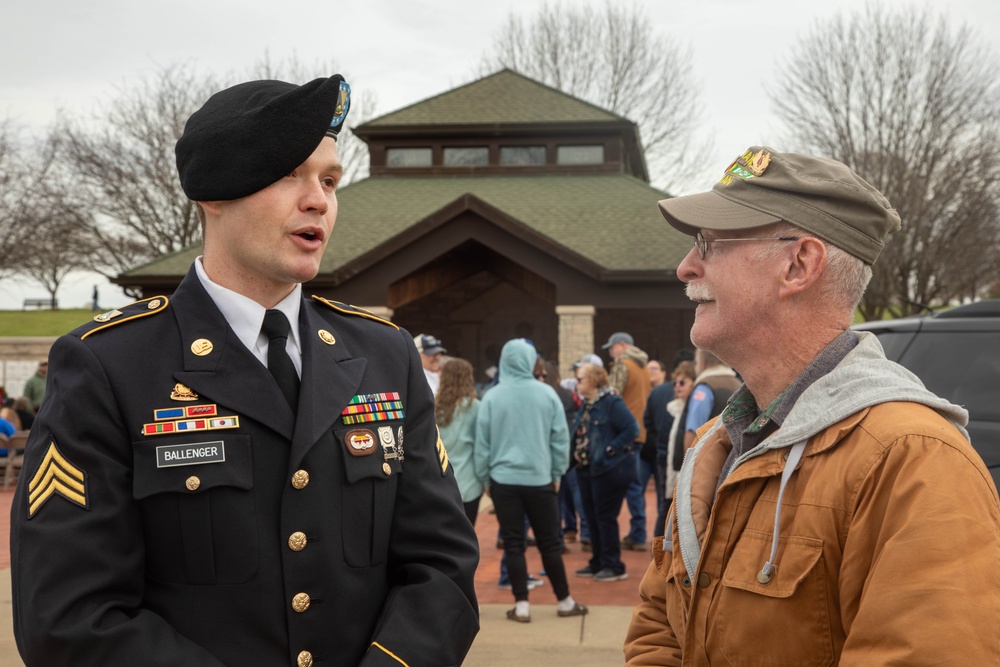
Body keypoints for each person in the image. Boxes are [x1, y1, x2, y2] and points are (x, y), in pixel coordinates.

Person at [11, 75, 480, 667]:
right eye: (291, 174)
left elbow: (442, 564)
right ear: (214, 193)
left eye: (330, 180)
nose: (320, 201)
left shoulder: (385, 354)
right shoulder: (108, 365)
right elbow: (68, 618)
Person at [625, 146, 1000, 664]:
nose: (686, 268)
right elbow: (657, 629)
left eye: (708, 243)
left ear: (800, 264)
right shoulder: (718, 443)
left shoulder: (914, 460)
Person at [475, 338, 586, 623]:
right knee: (550, 542)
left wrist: (485, 477)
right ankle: (564, 600)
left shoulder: (491, 396)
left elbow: (482, 444)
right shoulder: (546, 395)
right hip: (540, 480)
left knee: (514, 544)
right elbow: (560, 439)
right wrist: (557, 473)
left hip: (503, 481)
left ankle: (522, 605)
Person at [571, 362, 639, 582]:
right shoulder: (587, 404)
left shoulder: (611, 402)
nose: (576, 383)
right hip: (586, 469)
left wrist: (611, 449)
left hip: (607, 470)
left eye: (580, 379)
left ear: (593, 380)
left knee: (605, 518)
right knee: (591, 517)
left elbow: (632, 428)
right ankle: (598, 561)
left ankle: (614, 565)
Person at [603, 332, 651, 551]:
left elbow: (611, 397)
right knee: (635, 485)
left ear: (621, 346)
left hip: (623, 432)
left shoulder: (623, 364)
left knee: (629, 485)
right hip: (640, 430)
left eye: (611, 348)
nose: (611, 353)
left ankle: (637, 533)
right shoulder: (643, 367)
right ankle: (637, 531)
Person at [435, 358, 483, 526]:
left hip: (440, 483)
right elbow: (481, 448)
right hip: (469, 484)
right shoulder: (475, 407)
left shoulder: (434, 406)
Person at [656, 359, 696, 537]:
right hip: (670, 469)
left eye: (682, 382)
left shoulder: (694, 408)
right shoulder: (672, 409)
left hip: (684, 471)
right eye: (675, 383)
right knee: (665, 511)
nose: (677, 387)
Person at [678, 348, 741, 453]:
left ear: (702, 362)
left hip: (705, 457)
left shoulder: (704, 387)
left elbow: (693, 431)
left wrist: (687, 464)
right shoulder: (738, 385)